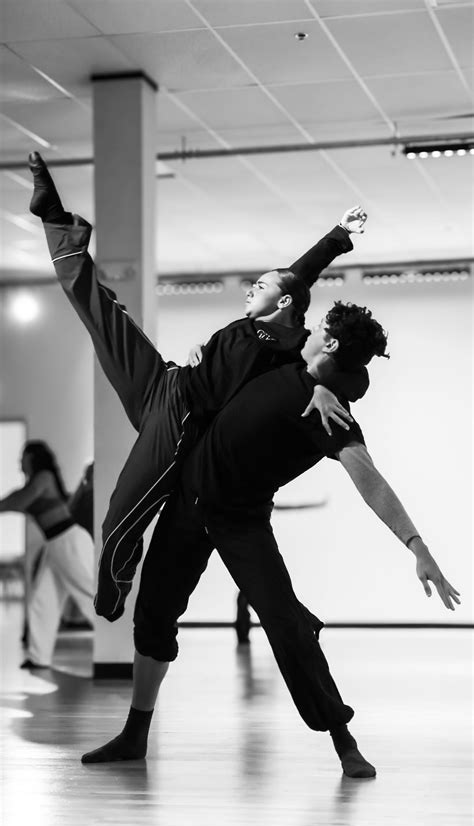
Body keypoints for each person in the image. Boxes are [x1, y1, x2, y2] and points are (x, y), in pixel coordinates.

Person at [79, 303, 460, 778]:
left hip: (241, 521)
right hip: (189, 503)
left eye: (318, 328)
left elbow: (370, 480)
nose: (307, 330)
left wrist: (417, 546)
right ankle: (135, 734)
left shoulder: (330, 411)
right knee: (153, 616)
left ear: (331, 344)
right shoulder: (286, 360)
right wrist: (201, 350)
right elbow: (241, 351)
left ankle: (344, 741)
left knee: (285, 624)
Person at [28, 152, 368, 623]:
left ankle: (109, 600)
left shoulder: (292, 348)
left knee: (119, 518)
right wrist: (340, 233)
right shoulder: (255, 322)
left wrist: (323, 390)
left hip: (178, 423)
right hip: (163, 380)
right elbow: (300, 273)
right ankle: (54, 219)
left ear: (285, 301)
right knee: (102, 313)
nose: (251, 288)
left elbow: (345, 369)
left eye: (261, 285)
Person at [0, 441, 95, 668]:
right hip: (55, 544)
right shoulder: (35, 482)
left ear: (32, 458)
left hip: (69, 541)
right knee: (43, 601)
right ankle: (38, 657)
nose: (19, 462)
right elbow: (14, 501)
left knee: (90, 595)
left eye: (23, 457)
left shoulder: (43, 478)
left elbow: (19, 501)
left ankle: (125, 647)